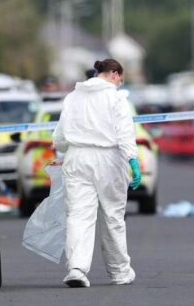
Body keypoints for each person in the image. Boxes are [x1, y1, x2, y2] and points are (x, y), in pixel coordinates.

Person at [53, 58, 140, 288]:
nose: (120, 83)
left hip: (77, 158)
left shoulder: (73, 97)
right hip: (108, 159)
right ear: (113, 73)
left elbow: (60, 136)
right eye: (120, 78)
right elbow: (124, 133)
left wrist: (63, 153)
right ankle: (120, 272)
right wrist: (133, 161)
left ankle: (76, 269)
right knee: (112, 216)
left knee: (79, 215)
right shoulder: (116, 98)